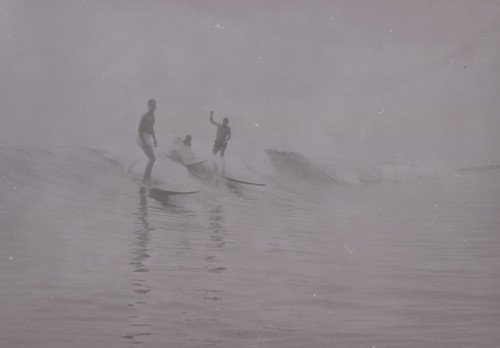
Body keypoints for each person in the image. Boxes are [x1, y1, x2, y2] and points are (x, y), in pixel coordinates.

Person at [137, 98, 158, 184]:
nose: (154, 107)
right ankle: (145, 179)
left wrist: (155, 139)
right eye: (152, 105)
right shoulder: (144, 116)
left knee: (153, 159)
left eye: (155, 105)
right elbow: (139, 129)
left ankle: (148, 177)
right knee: (152, 159)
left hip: (148, 137)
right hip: (142, 138)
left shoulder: (153, 116)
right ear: (148, 106)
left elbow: (151, 128)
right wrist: (144, 141)